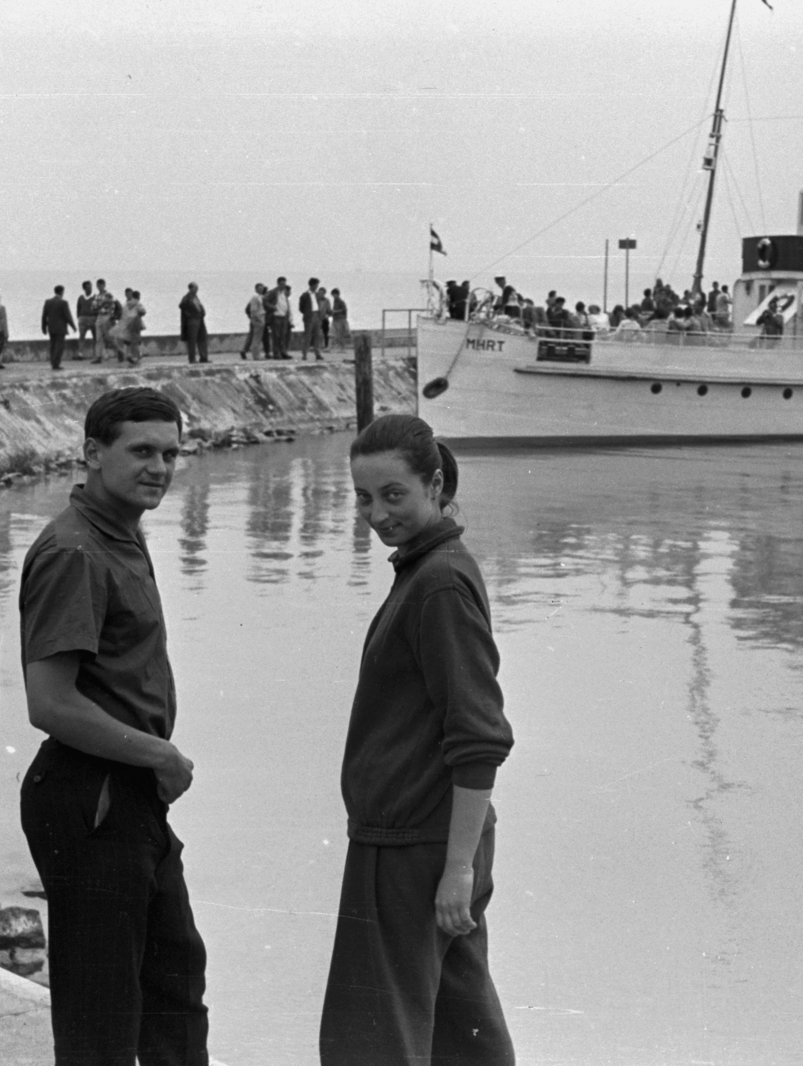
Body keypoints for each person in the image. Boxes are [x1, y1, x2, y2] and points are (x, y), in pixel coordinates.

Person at [18, 387, 209, 1065]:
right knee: (101, 1018)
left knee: (176, 985)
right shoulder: (75, 551)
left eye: (170, 453)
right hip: (92, 792)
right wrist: (160, 754)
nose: (159, 466)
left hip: (132, 796)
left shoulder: (120, 533)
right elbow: (50, 701)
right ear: (93, 455)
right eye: (141, 451)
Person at [321, 413, 515, 1066]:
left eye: (394, 494)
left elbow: (480, 736)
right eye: (365, 498)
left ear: (435, 486)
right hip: (438, 837)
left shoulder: (437, 585)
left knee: (371, 1037)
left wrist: (456, 868)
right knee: (461, 1030)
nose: (377, 513)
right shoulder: (434, 569)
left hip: (412, 844)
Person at [41, 285, 77, 371]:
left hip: (51, 327)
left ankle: (53, 363)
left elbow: (44, 316)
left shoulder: (48, 302)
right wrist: (73, 327)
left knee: (53, 346)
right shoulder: (63, 303)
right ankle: (56, 364)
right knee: (59, 346)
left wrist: (43, 327)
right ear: (61, 292)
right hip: (60, 328)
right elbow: (68, 316)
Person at [179, 282, 209, 363]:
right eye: (195, 288)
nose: (197, 289)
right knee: (192, 340)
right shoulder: (187, 297)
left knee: (202, 337)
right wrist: (189, 315)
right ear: (191, 288)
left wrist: (202, 312)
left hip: (199, 319)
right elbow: (182, 306)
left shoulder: (195, 297)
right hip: (192, 321)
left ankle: (203, 357)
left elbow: (199, 306)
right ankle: (192, 359)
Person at [92, 279, 117, 364]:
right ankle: (98, 357)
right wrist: (101, 305)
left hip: (106, 317)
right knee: (98, 338)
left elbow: (111, 307)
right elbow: (93, 307)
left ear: (104, 285)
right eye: (98, 285)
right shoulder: (97, 296)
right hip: (99, 316)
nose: (99, 287)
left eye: (100, 285)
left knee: (109, 338)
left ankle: (119, 352)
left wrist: (100, 306)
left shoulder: (108, 295)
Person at [300, 277, 325, 360]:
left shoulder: (317, 295)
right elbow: (301, 308)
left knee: (317, 336)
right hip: (309, 317)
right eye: (316, 285)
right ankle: (304, 354)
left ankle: (318, 353)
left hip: (317, 316)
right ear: (312, 285)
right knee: (307, 336)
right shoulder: (304, 295)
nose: (317, 287)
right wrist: (307, 313)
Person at [242, 283, 267, 360]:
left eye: (262, 288)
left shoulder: (260, 297)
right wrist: (259, 319)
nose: (261, 289)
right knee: (256, 338)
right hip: (258, 319)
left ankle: (257, 354)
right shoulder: (255, 297)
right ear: (256, 289)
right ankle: (256, 355)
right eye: (259, 288)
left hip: (260, 318)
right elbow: (253, 310)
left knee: (257, 338)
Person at [271, 277, 293, 359]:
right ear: (278, 284)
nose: (283, 286)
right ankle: (276, 353)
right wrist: (272, 308)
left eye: (284, 284)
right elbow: (265, 300)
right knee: (276, 336)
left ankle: (283, 352)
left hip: (284, 317)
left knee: (283, 336)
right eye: (282, 284)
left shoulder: (284, 294)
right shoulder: (273, 292)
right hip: (276, 316)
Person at [123, 290, 147, 366]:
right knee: (136, 340)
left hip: (128, 324)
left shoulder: (127, 304)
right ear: (139, 297)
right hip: (136, 324)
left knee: (129, 341)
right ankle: (138, 355)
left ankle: (129, 355)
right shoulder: (137, 303)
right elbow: (143, 311)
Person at [75, 281, 96, 361]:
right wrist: (79, 317)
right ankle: (80, 353)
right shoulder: (81, 297)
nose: (90, 289)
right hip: (83, 319)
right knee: (82, 336)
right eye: (88, 287)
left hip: (93, 318)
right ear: (84, 288)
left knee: (95, 337)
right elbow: (78, 308)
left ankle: (95, 354)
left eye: (90, 287)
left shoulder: (95, 297)